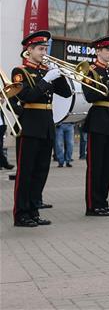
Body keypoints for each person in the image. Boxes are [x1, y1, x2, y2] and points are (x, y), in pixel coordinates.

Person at [10, 31, 72, 227]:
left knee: (41, 171)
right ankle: (21, 214)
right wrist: (46, 80)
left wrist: (58, 75)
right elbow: (27, 96)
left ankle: (34, 210)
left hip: (46, 125)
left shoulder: (46, 70)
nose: (44, 52)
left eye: (45, 48)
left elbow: (66, 92)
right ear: (29, 50)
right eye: (40, 49)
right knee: (26, 172)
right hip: (29, 126)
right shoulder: (20, 71)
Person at [82, 36, 109, 217]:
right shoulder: (90, 71)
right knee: (96, 166)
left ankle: (103, 202)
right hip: (98, 120)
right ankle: (93, 205)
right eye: (107, 50)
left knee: (108, 166)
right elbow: (90, 95)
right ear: (98, 51)